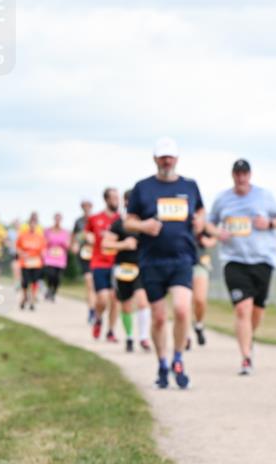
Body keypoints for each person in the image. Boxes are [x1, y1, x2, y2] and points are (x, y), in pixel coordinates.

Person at [124, 137, 204, 389]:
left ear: (177, 159)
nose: (166, 161)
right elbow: (128, 221)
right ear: (155, 159)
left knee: (181, 309)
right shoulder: (143, 187)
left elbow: (200, 210)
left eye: (170, 156)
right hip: (152, 260)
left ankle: (178, 358)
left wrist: (200, 220)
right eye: (162, 157)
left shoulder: (189, 186)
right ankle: (162, 363)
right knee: (158, 317)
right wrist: (143, 225)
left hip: (181, 257)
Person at [208, 159, 276, 375]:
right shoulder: (223, 198)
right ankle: (246, 357)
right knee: (242, 308)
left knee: (257, 310)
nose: (241, 177)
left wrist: (269, 223)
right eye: (237, 173)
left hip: (263, 260)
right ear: (232, 175)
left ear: (250, 175)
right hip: (234, 260)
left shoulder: (264, 195)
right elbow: (208, 222)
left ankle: (248, 338)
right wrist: (217, 233)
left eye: (244, 173)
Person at [104, 190, 153, 354]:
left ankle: (144, 338)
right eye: (128, 201)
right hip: (123, 268)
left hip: (141, 267)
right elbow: (106, 244)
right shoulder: (119, 224)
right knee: (126, 306)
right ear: (125, 203)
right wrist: (123, 245)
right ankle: (130, 337)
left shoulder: (146, 223)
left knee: (142, 301)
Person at [87, 188, 122, 342]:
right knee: (102, 298)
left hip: (117, 264)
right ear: (106, 200)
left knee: (115, 299)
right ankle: (98, 318)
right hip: (99, 262)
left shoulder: (122, 219)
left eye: (118, 198)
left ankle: (111, 331)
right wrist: (89, 238)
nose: (116, 201)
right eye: (113, 198)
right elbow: (87, 233)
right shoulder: (95, 218)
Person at [191, 227, 217, 347]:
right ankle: (184, 335)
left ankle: (199, 324)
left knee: (200, 299)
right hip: (181, 263)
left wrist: (206, 240)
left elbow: (213, 238)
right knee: (183, 302)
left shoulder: (203, 224)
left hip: (200, 264)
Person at [73, 199, 98, 324]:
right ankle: (91, 310)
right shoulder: (78, 222)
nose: (86, 208)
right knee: (89, 283)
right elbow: (75, 236)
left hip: (96, 255)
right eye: (84, 207)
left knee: (96, 286)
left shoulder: (96, 219)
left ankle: (97, 308)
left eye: (88, 206)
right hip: (84, 255)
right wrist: (75, 244)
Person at [15, 213, 46, 310]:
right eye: (31, 224)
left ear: (36, 225)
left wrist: (43, 255)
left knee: (34, 282)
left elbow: (43, 249)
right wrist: (22, 253)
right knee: (25, 282)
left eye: (34, 224)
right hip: (25, 262)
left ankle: (32, 300)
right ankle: (24, 297)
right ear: (28, 225)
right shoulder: (23, 236)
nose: (32, 226)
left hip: (36, 262)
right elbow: (17, 247)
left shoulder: (40, 237)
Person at [43, 213, 71, 301]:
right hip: (50, 256)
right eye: (56, 219)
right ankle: (49, 288)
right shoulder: (48, 230)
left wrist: (66, 244)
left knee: (57, 278)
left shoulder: (65, 232)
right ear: (54, 219)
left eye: (59, 219)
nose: (57, 221)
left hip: (60, 258)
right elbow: (44, 243)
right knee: (51, 275)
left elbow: (68, 245)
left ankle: (53, 292)